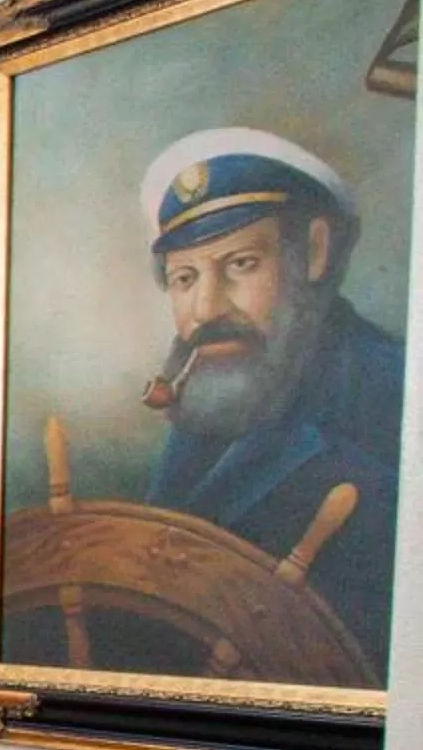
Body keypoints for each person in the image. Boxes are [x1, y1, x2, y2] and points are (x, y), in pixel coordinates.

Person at [136, 126, 403, 670]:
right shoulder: (209, 396)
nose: (206, 309)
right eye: (184, 277)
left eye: (240, 265)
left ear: (314, 252)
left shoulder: (393, 396)